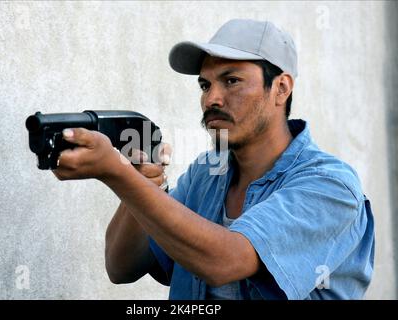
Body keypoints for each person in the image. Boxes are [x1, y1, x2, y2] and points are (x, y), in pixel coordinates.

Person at [53, 19, 375, 300]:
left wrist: (116, 174)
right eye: (205, 85)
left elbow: (224, 261)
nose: (211, 99)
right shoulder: (205, 173)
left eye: (231, 80)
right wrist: (138, 182)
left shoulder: (330, 185)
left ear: (281, 88)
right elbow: (121, 266)